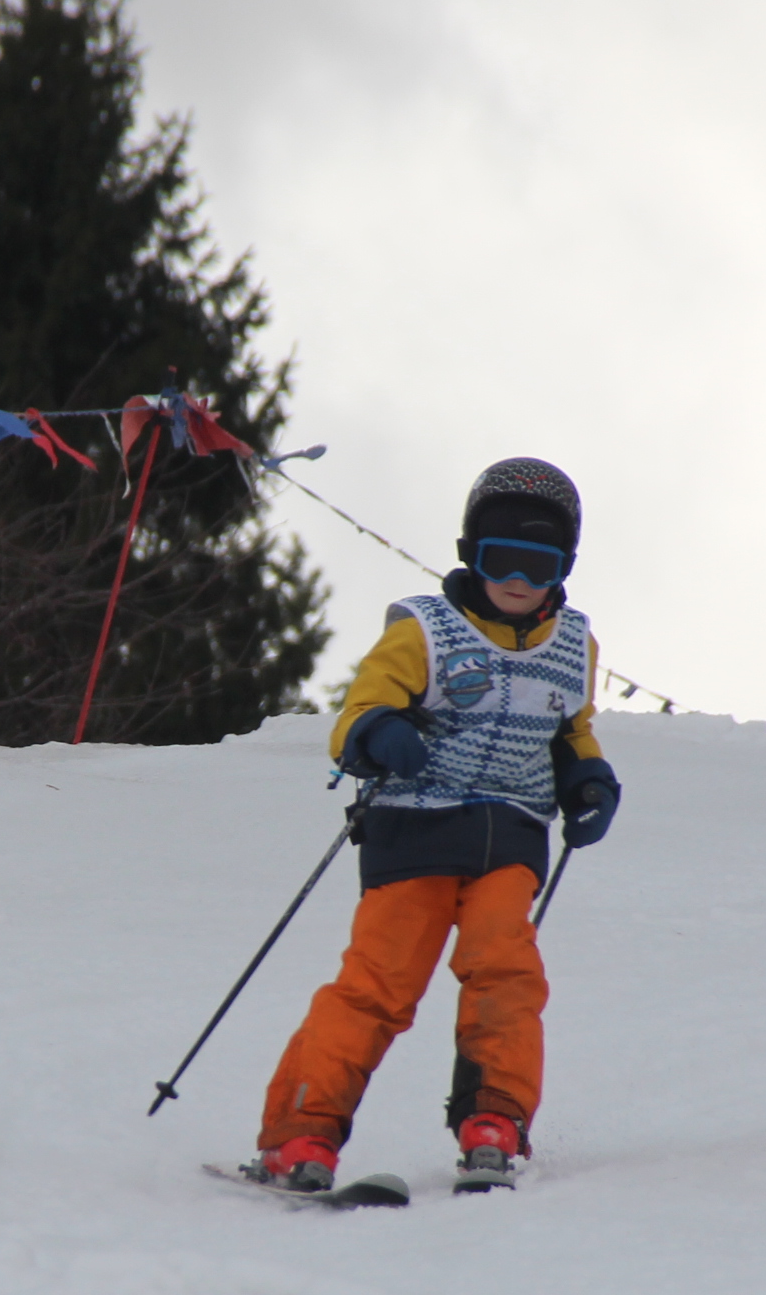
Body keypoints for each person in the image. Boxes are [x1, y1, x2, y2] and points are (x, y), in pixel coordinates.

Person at [246, 458, 621, 1193]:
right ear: (470, 553)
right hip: (415, 829)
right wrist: (379, 732)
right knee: (377, 988)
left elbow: (571, 730)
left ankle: (494, 1121)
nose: (518, 579)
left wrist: (588, 781)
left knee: (506, 975)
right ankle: (300, 1136)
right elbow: (359, 711)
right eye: (500, 559)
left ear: (565, 568)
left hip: (510, 835)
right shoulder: (425, 630)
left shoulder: (574, 645)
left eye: (540, 565)